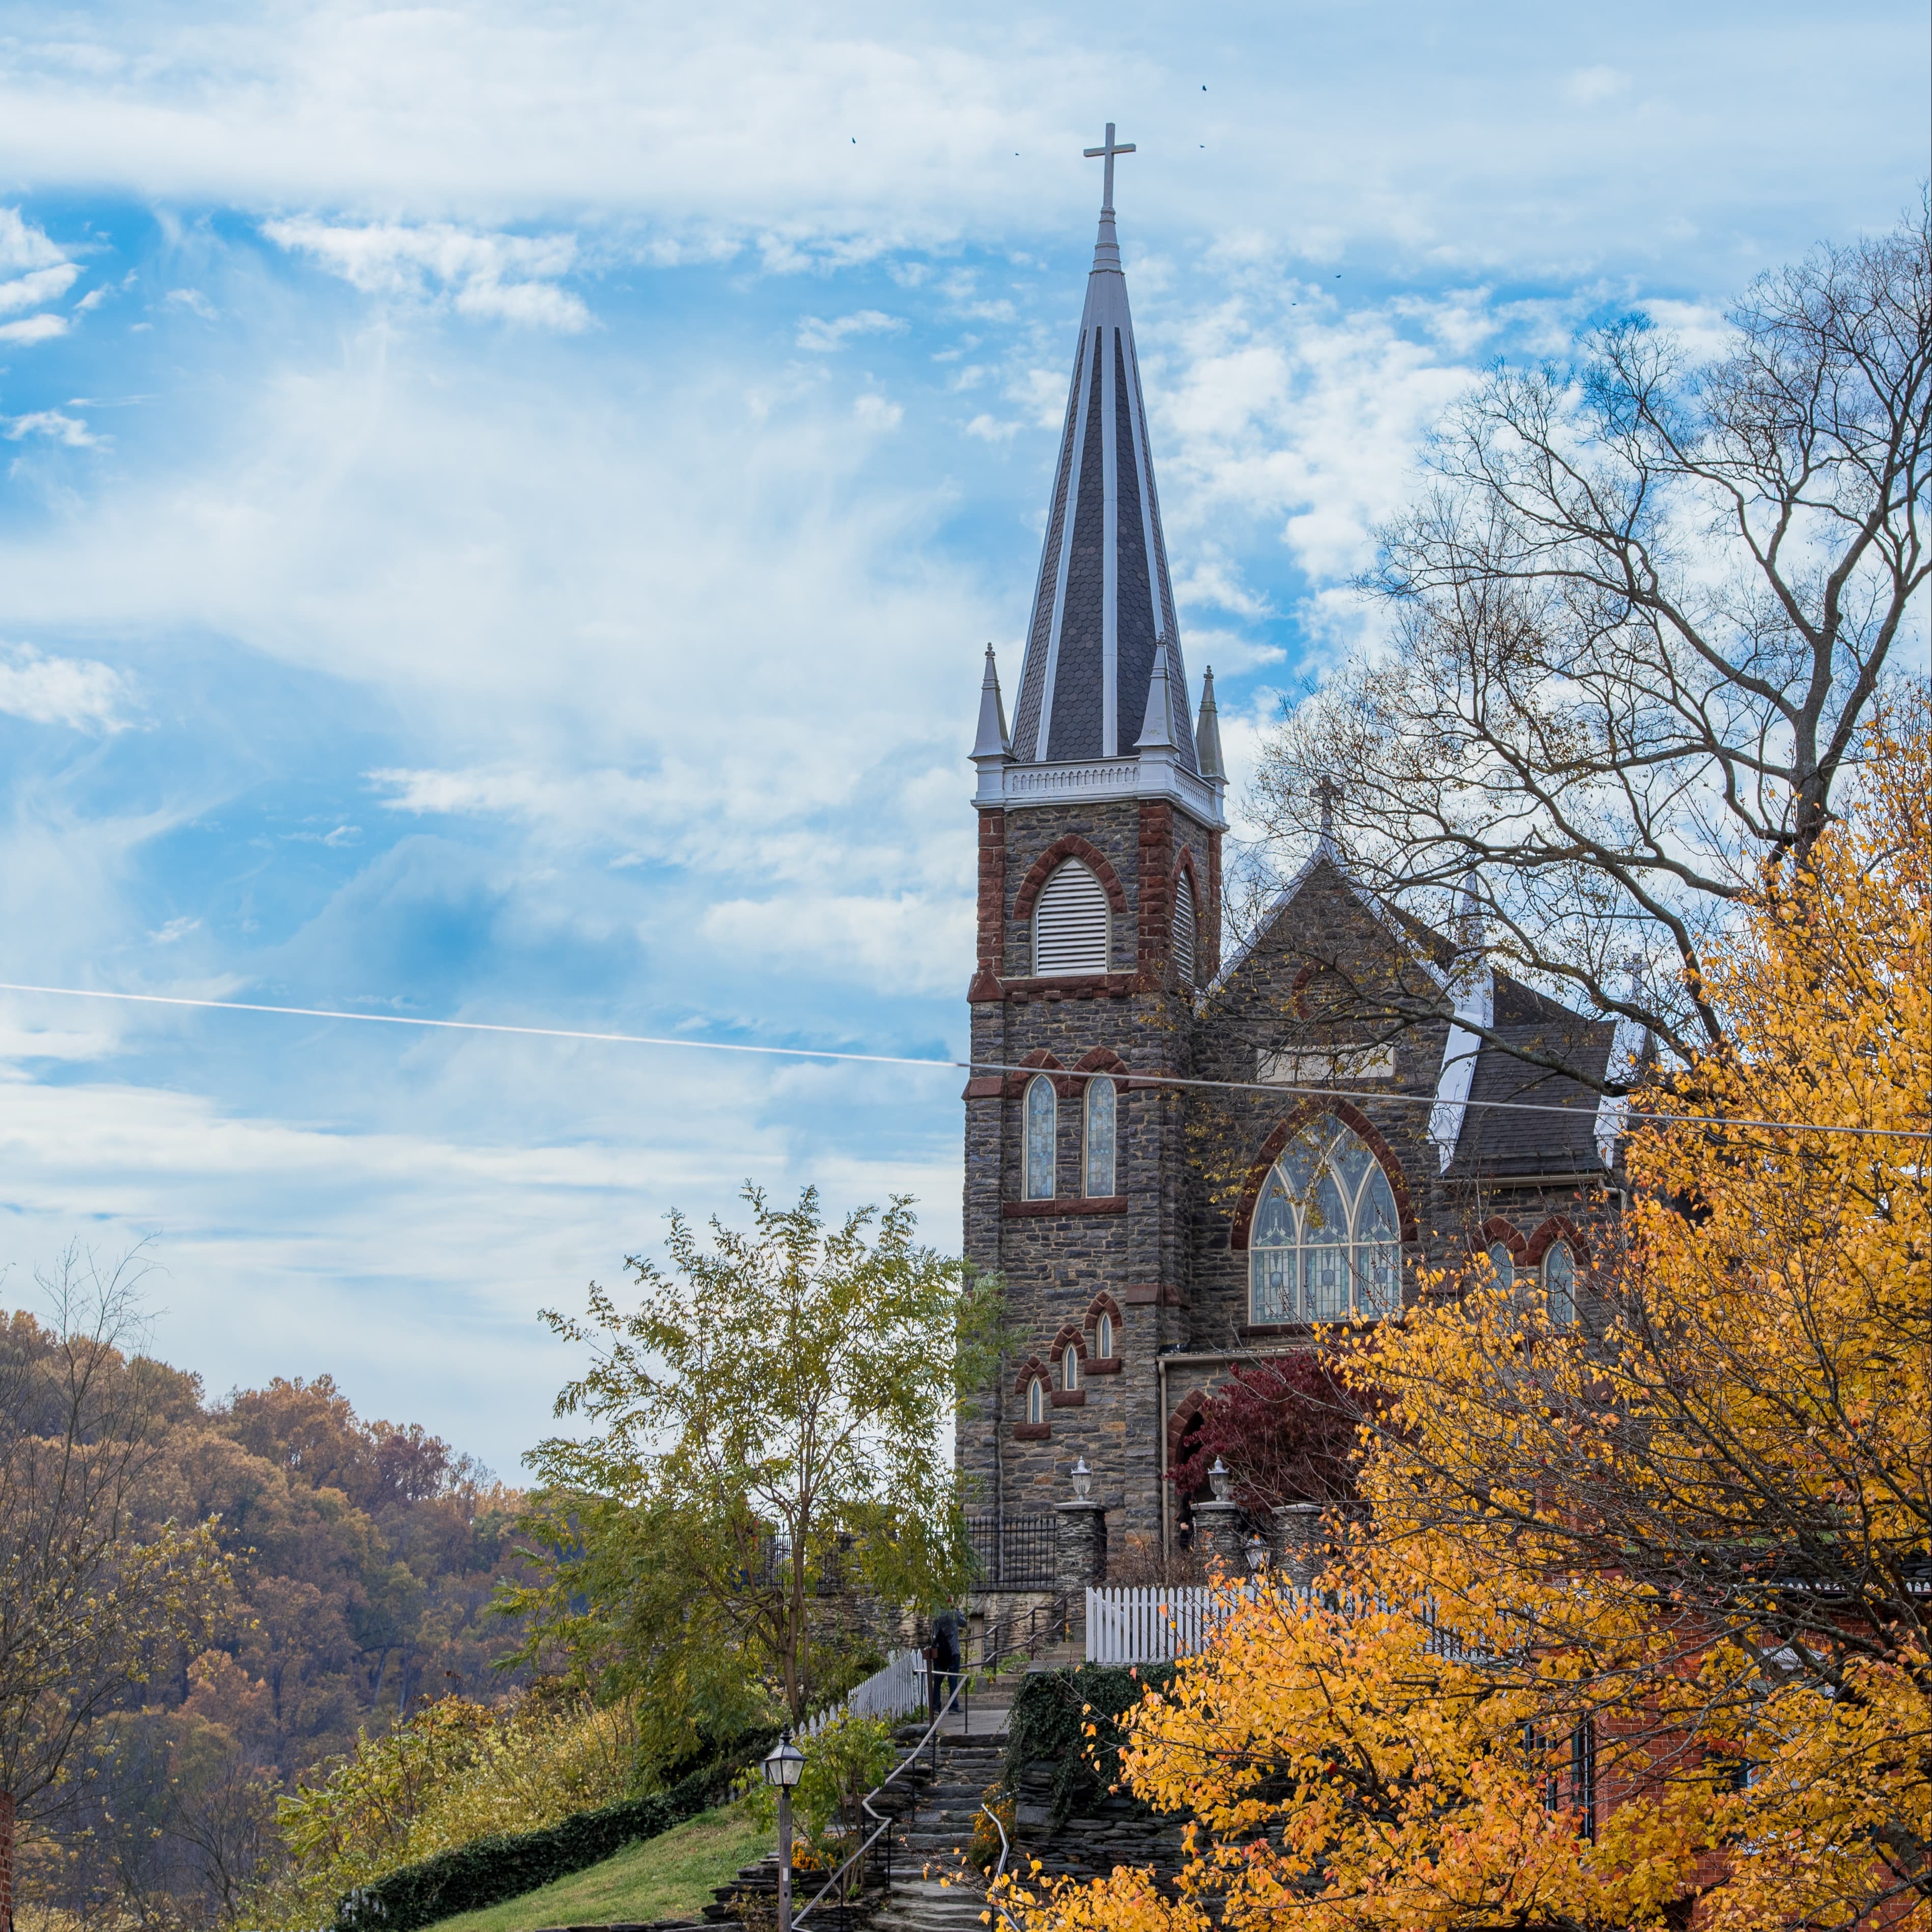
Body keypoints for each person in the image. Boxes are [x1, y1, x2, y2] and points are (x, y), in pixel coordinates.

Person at [926, 1604, 962, 1717]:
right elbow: (964, 1623)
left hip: (940, 1651)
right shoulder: (954, 1613)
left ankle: (936, 1707)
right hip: (953, 1651)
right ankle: (953, 1706)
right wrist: (958, 1610)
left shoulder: (935, 1614)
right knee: (953, 1679)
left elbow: (934, 1634)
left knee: (937, 1681)